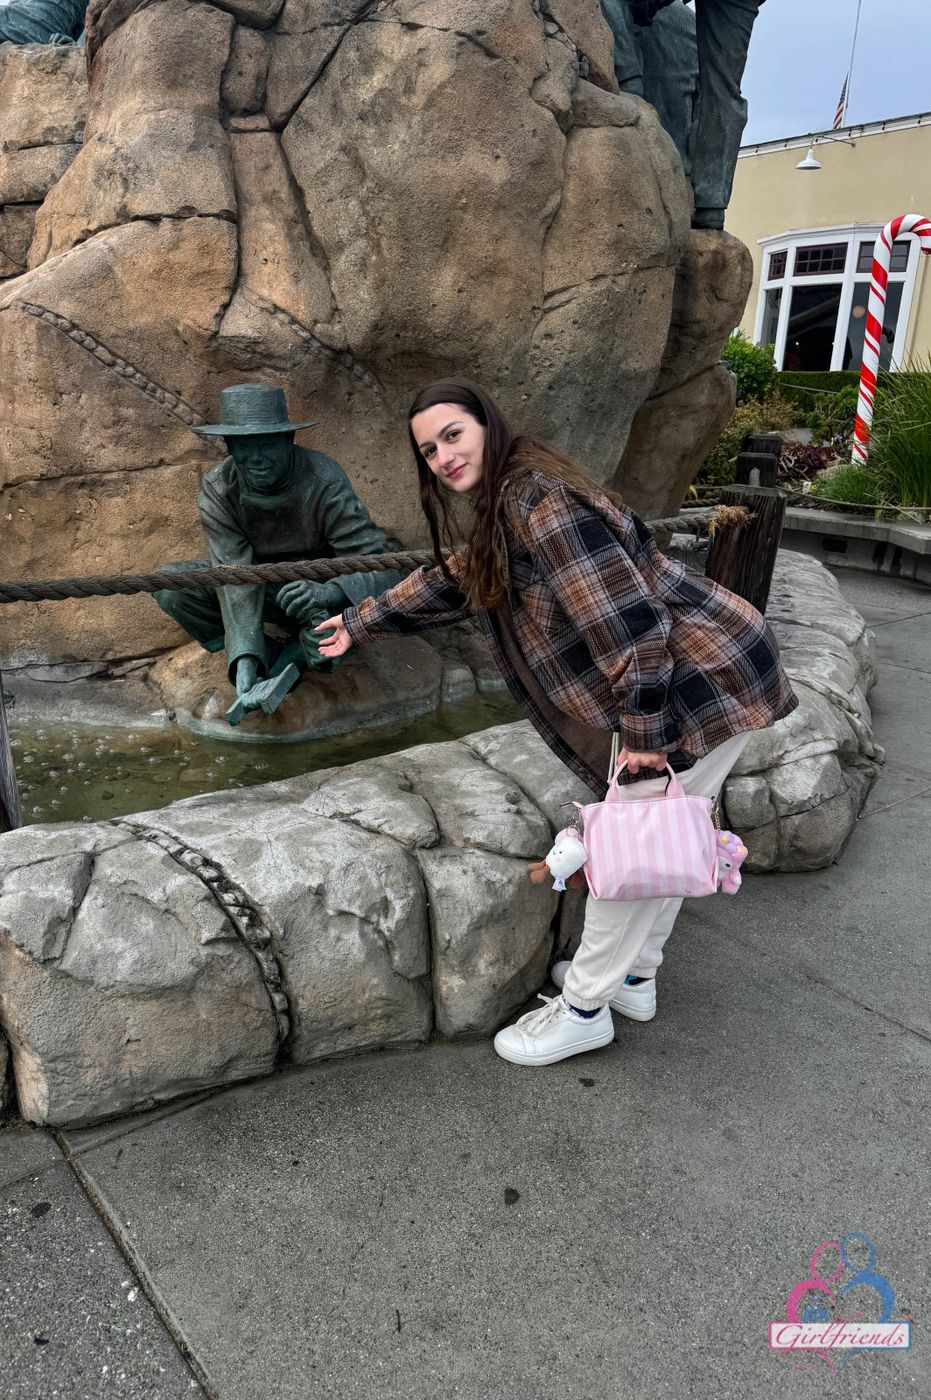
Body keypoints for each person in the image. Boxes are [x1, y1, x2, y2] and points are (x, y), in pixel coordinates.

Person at [315, 378, 797, 1067]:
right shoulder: (508, 500)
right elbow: (456, 578)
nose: (443, 457)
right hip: (703, 670)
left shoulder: (541, 502)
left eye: (453, 435)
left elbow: (631, 627)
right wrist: (360, 622)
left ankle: (584, 1010)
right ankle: (634, 978)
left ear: (487, 425)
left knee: (629, 845)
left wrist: (643, 736)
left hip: (699, 682)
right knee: (665, 832)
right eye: (428, 450)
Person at [153, 383, 402, 716]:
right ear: (229, 446)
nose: (256, 458)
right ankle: (268, 655)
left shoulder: (322, 479)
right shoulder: (218, 488)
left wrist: (328, 592)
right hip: (264, 590)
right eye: (243, 446)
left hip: (318, 592)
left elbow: (380, 564)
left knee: (333, 641)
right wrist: (244, 657)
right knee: (171, 586)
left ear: (289, 441)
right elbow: (234, 577)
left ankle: (298, 655)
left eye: (267, 444)